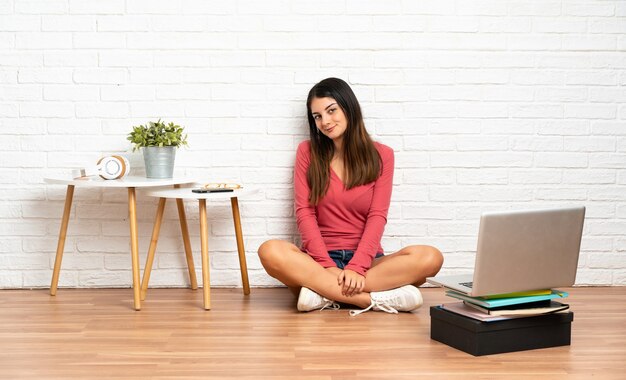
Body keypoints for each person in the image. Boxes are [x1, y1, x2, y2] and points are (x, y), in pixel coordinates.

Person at [258, 77, 443, 316]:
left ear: (349, 107)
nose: (325, 121)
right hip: (317, 262)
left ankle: (323, 294)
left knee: (430, 257)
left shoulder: (382, 155)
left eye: (331, 110)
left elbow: (378, 216)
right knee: (270, 250)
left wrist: (357, 267)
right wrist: (327, 266)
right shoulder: (307, 152)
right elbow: (305, 212)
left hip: (368, 264)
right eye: (317, 116)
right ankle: (369, 300)